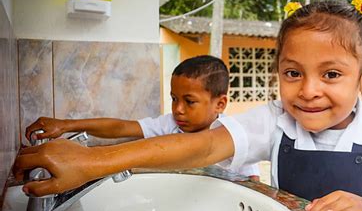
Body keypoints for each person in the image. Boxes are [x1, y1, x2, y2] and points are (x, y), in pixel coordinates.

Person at [15, 0, 362, 211]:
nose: (308, 90)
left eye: (332, 74)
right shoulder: (278, 121)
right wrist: (95, 162)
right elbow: (204, 147)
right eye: (292, 72)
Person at [24, 55, 260, 180]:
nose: (178, 109)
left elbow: (254, 185)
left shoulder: (236, 137)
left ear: (220, 103)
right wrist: (65, 125)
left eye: (189, 102)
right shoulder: (169, 124)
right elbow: (119, 128)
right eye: (174, 98)